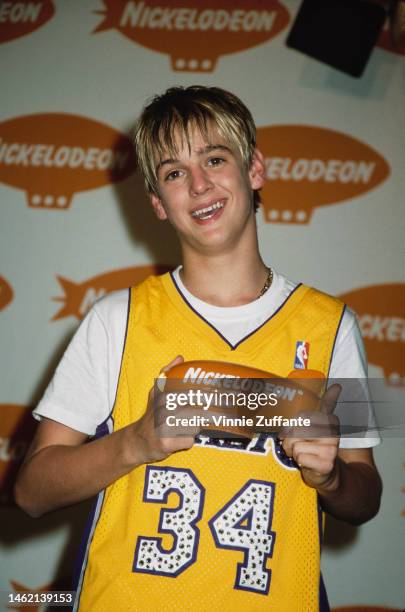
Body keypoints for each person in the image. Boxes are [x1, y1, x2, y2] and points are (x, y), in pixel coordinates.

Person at [15, 86, 382, 611]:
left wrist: (332, 477)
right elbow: (30, 493)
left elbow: (366, 494)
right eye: (173, 173)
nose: (199, 184)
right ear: (158, 203)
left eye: (214, 158)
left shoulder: (333, 325)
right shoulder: (115, 319)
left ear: (254, 169)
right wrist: (136, 442)